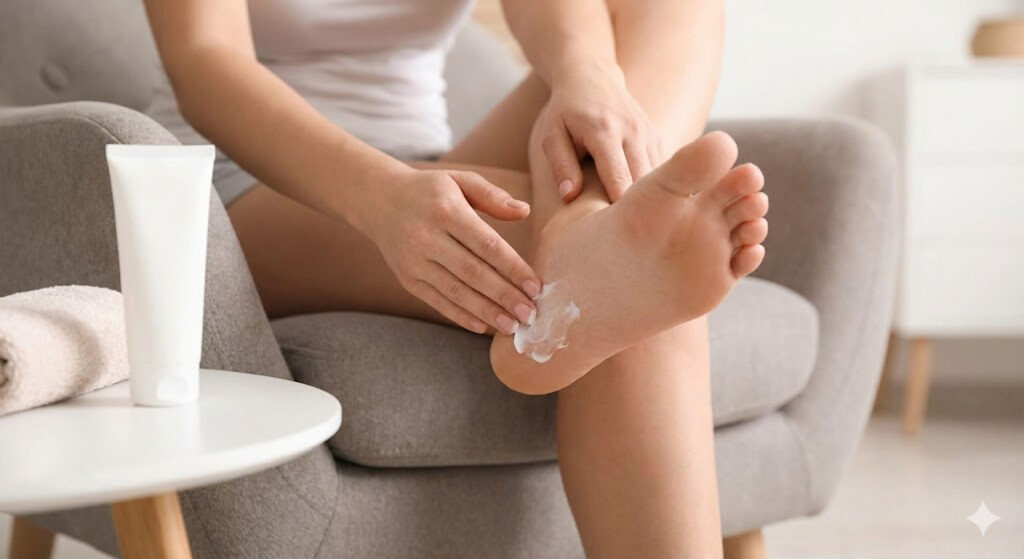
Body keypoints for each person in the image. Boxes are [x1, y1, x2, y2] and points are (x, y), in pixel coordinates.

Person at [142, 0, 769, 556]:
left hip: (427, 163)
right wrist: (381, 196)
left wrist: (586, 77)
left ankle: (591, 226)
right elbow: (204, 60)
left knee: (671, 8)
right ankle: (585, 262)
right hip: (243, 184)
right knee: (644, 272)